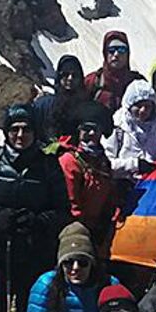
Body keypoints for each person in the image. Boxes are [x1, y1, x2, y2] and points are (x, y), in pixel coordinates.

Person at [0, 104, 70, 312]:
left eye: (27, 129)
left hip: (35, 256)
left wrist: (37, 221)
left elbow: (63, 211)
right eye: (15, 129)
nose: (21, 135)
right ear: (6, 131)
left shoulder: (48, 164)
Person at [59, 109, 118, 256]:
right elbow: (71, 202)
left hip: (98, 227)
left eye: (96, 129)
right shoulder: (69, 161)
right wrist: (84, 229)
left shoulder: (103, 161)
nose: (91, 134)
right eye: (86, 129)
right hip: (74, 230)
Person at [107, 79, 156, 179]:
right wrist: (135, 165)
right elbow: (106, 164)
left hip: (153, 183)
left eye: (147, 106)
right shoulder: (116, 126)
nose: (143, 111)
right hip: (124, 186)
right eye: (138, 106)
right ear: (129, 105)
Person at [32, 56, 89, 146]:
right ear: (59, 76)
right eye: (65, 74)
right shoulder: (43, 104)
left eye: (75, 75)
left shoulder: (87, 108)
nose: (70, 78)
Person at [88, 30, 141, 114]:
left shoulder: (138, 83)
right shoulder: (93, 81)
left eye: (121, 49)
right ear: (105, 54)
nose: (116, 54)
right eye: (111, 50)